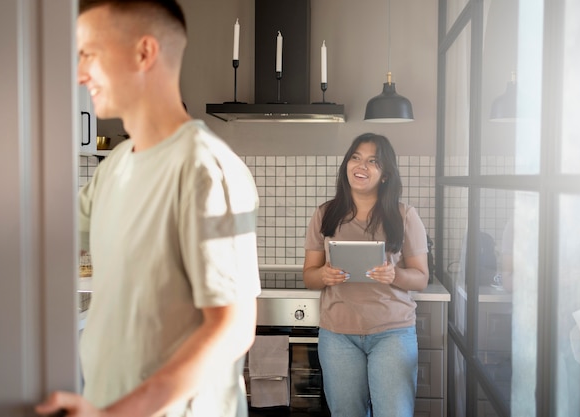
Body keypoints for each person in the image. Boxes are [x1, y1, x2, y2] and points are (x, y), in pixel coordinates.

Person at [36, 1, 260, 416]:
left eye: (89, 53)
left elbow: (232, 328)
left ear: (144, 53)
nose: (79, 72)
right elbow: (43, 229)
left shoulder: (204, 167)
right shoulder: (116, 166)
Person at [303, 133, 430, 417]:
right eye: (356, 158)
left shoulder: (405, 216)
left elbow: (421, 278)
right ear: (347, 164)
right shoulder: (325, 214)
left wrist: (393, 275)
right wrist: (324, 275)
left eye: (373, 161)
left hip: (392, 333)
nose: (361, 166)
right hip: (337, 335)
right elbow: (309, 276)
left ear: (385, 175)